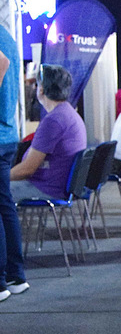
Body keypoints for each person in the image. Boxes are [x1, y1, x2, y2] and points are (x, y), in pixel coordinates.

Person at [10, 64, 86, 203]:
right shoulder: (68, 113)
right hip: (59, 185)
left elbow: (27, 169)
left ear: (41, 89)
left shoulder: (53, 121)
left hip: (46, 188)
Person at [0, 25, 28, 301]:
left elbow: (1, 62)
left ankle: (1, 282)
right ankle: (15, 275)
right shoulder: (6, 35)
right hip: (7, 134)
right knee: (5, 205)